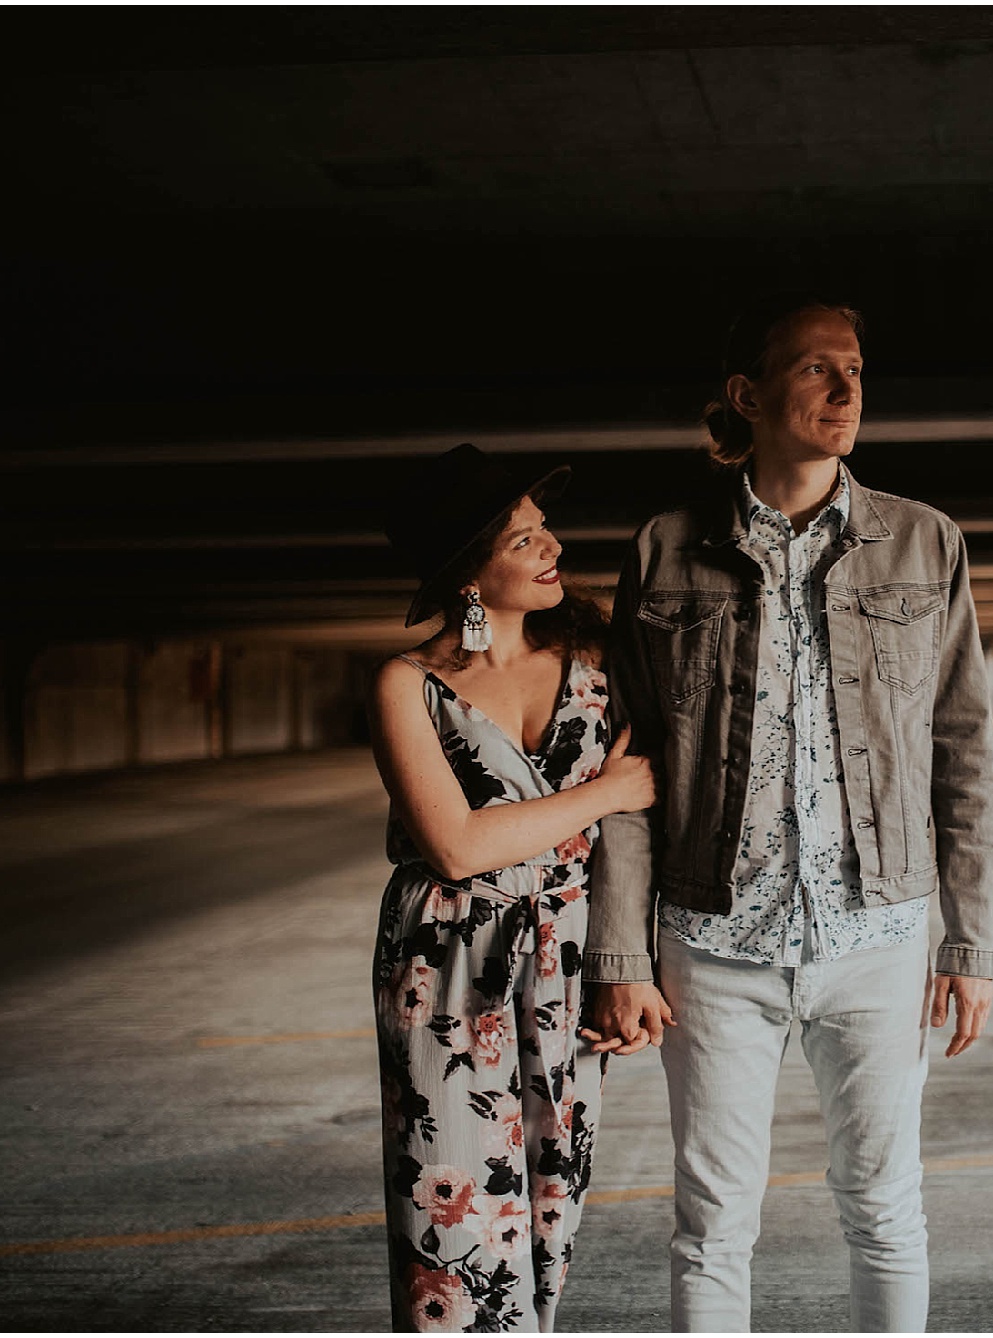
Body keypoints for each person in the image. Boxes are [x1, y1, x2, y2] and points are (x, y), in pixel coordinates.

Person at [581, 296, 993, 1332]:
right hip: (710, 943)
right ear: (748, 395)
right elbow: (629, 775)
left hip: (880, 937)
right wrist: (619, 957)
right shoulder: (667, 548)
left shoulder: (922, 541)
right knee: (712, 1221)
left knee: (883, 1206)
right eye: (817, 368)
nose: (847, 389)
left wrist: (974, 941)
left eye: (856, 368)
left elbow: (964, 753)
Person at [370, 445, 655, 1332]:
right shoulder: (407, 685)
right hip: (446, 962)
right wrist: (606, 792)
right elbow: (455, 846)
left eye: (544, 530)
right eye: (523, 539)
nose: (551, 548)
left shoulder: (602, 656)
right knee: (448, 1217)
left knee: (548, 1199)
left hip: (569, 947)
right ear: (467, 574)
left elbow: (634, 841)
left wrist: (628, 962)